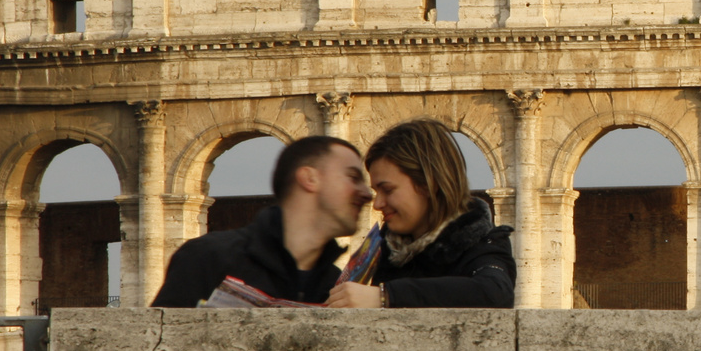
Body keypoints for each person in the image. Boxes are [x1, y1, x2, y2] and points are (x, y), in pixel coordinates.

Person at [151, 136, 372, 307]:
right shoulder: (206, 258)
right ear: (310, 178)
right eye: (353, 177)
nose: (367, 193)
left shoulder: (335, 287)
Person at [326, 118, 515, 308]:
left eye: (388, 190)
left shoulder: (483, 245)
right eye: (376, 191)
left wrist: (386, 296)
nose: (377, 204)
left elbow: (494, 291)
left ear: (428, 185)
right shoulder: (383, 251)